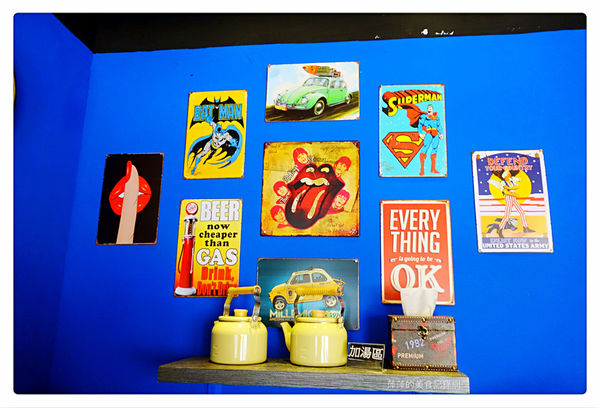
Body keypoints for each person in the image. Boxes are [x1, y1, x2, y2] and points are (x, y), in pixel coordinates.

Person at [497, 168, 535, 238]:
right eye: (508, 173)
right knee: (507, 216)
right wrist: (514, 193)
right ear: (506, 175)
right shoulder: (503, 182)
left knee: (522, 212)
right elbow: (506, 192)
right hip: (509, 198)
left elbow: (517, 187)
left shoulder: (511, 181)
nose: (509, 173)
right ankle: (500, 229)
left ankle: (525, 227)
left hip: (513, 197)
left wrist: (510, 189)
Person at [417, 104, 443, 176]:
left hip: (436, 134)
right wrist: (420, 133)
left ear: (432, 109)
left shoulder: (436, 117)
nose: (430, 109)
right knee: (425, 147)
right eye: (428, 108)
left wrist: (441, 133)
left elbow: (439, 126)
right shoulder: (424, 117)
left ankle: (433, 169)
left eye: (431, 108)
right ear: (427, 109)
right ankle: (422, 169)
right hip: (428, 133)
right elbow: (420, 125)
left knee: (435, 148)